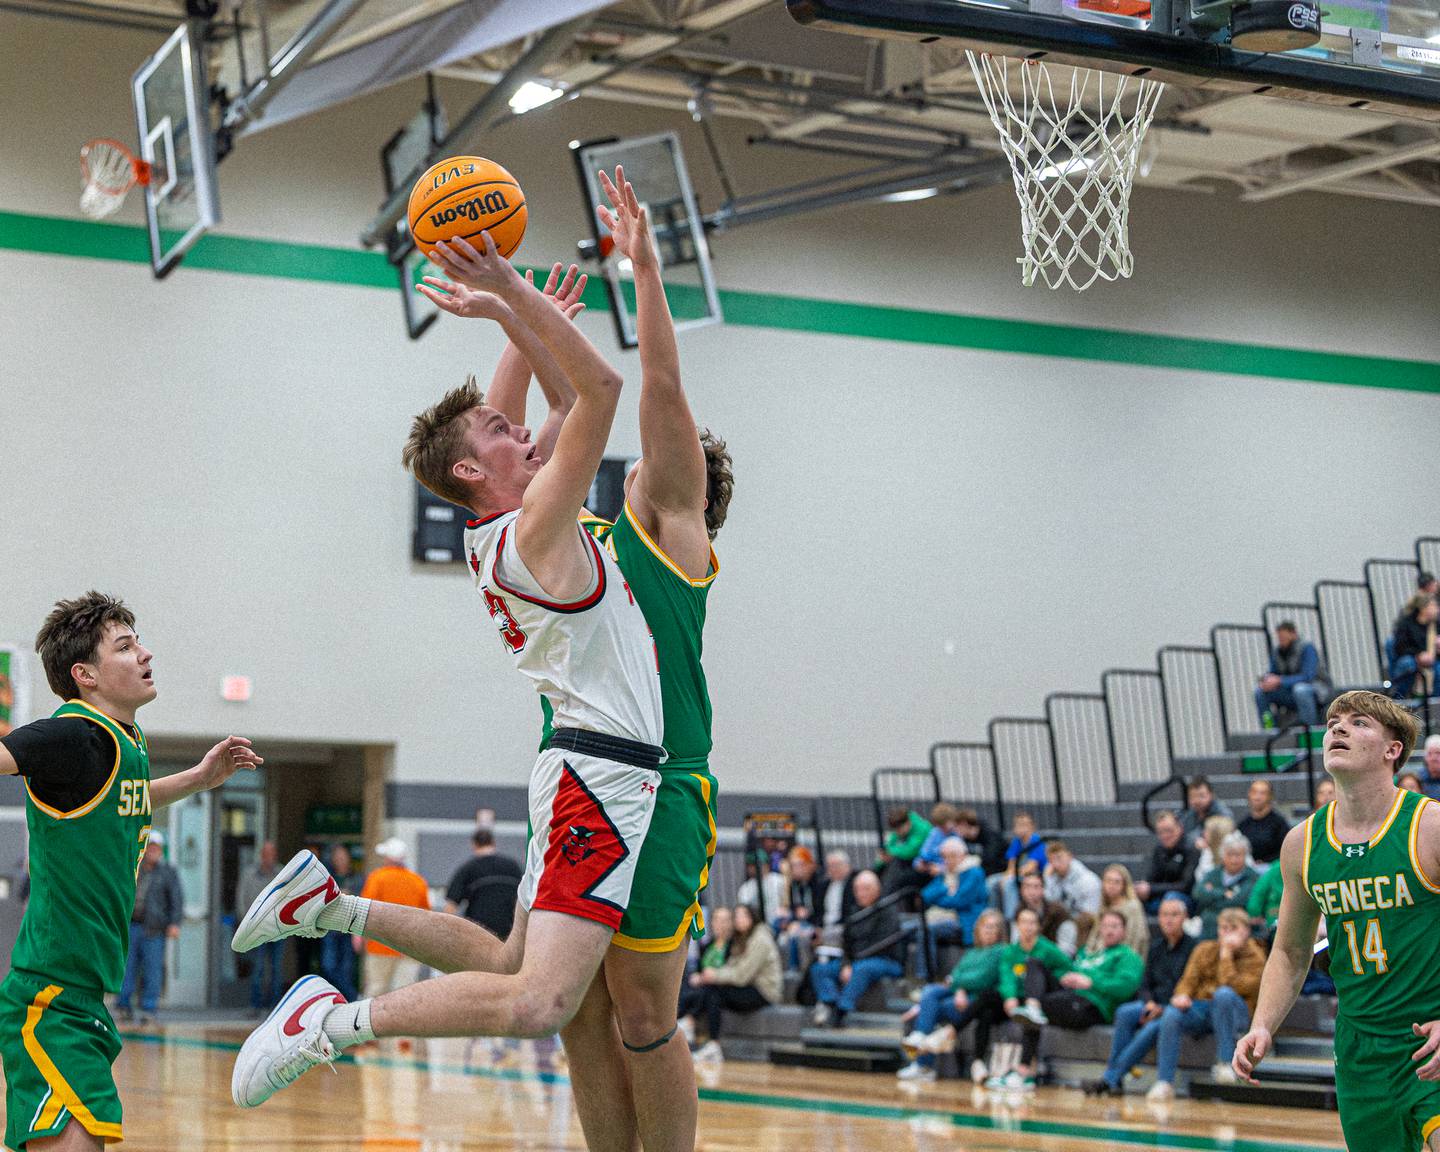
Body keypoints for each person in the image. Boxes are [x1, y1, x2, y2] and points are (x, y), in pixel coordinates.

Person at [233, 182, 730, 1152]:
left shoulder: (508, 518)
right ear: (477, 473)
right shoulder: (539, 525)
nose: (524, 435)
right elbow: (599, 393)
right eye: (507, 441)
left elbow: (517, 410)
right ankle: (330, 1023)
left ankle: (330, 917)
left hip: (590, 766)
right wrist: (510, 294)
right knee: (544, 999)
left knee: (532, 977)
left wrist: (510, 317)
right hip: (608, 773)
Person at [0, 592, 261, 1150]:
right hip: (51, 998)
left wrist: (197, 779)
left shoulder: (124, 744)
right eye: (126, 646)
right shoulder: (73, 736)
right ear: (85, 675)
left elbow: (128, 797)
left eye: (138, 641)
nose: (145, 654)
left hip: (85, 996)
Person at [1234, 691, 1440, 1152]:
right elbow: (1290, 951)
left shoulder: (1430, 826)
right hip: (1360, 1048)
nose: (1338, 729)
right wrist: (1263, 1023)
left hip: (1431, 1033)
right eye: (1333, 722)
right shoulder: (1301, 843)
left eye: (1359, 722)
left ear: (1393, 750)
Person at [999, 909, 1142, 1093]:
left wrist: (1091, 982)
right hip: (1070, 996)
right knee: (1033, 964)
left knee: (1035, 1010)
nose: (1109, 930)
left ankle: (1024, 1070)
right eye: (1105, 926)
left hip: (1092, 1006)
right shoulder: (1089, 954)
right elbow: (1068, 968)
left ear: (1124, 931)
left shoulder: (1128, 956)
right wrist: (1067, 977)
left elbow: (1125, 987)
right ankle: (1032, 1013)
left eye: (1114, 926)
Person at [1135, 906, 1267, 1100]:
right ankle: (1165, 1082)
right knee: (1172, 1013)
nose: (1227, 934)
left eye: (1234, 928)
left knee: (1223, 995)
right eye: (1223, 928)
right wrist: (1181, 996)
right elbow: (1187, 982)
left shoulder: (1256, 957)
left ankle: (1225, 1063)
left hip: (1237, 1012)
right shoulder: (1204, 949)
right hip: (1204, 1009)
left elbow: (1234, 986)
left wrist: (1226, 955)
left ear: (1246, 931)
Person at [1085, 895, 1197, 1097]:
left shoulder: (1194, 948)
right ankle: (1114, 1079)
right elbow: (1144, 983)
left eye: (1174, 915)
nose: (1168, 920)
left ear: (1185, 917)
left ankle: (1111, 1077)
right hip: (1154, 1004)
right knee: (1125, 1011)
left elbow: (1190, 986)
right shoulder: (1155, 947)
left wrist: (1161, 1007)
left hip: (1177, 1008)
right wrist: (1149, 1003)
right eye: (1164, 915)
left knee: (1153, 1028)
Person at [898, 909, 1008, 1084]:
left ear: (1000, 931)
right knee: (930, 992)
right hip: (962, 993)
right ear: (978, 929)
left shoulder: (1001, 951)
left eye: (993, 927)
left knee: (931, 1009)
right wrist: (959, 988)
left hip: (976, 1001)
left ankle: (922, 1065)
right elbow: (955, 975)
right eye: (985, 926)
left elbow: (983, 979)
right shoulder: (972, 952)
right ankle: (919, 1042)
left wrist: (959, 985)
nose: (989, 931)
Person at [677, 904, 780, 1063]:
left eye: (740, 916)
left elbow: (742, 975)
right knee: (708, 990)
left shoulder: (760, 939)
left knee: (714, 991)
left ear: (751, 917)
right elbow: (732, 967)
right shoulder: (744, 938)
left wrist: (714, 976)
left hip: (763, 991)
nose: (736, 920)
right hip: (750, 986)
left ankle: (706, 1038)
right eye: (736, 916)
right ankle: (699, 1033)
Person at [809, 871, 906, 1028]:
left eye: (866, 888)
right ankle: (830, 1001)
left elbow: (883, 945)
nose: (861, 893)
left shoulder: (888, 910)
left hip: (886, 961)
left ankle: (842, 1010)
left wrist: (853, 964)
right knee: (820, 969)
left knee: (863, 968)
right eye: (858, 889)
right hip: (856, 961)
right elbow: (846, 944)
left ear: (877, 889)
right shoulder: (854, 912)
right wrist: (846, 965)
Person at [116, 830, 183, 1026]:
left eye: (155, 847)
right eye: (149, 846)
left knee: (152, 970)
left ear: (161, 850)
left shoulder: (168, 872)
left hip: (154, 929)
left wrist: (174, 923)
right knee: (127, 969)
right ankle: (124, 1005)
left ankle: (149, 1008)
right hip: (131, 926)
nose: (152, 850)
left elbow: (177, 900)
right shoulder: (133, 869)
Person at [357, 838, 432, 1000]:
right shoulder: (418, 882)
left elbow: (365, 909)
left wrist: (357, 935)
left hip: (380, 944)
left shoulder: (377, 878)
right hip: (410, 947)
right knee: (405, 992)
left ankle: (370, 1024)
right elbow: (426, 916)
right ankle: (401, 1025)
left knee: (376, 989)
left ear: (388, 858)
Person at [443, 827, 523, 939]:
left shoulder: (468, 869)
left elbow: (451, 906)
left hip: (478, 934)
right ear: (493, 842)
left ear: (474, 845)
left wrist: (447, 935)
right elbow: (525, 900)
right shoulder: (513, 867)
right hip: (508, 933)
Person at [236, 841, 284, 1014]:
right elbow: (242, 899)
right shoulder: (249, 874)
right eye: (266, 854)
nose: (268, 858)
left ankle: (275, 1007)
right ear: (261, 855)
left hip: (279, 929)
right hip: (256, 929)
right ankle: (255, 1005)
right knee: (258, 968)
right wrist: (246, 924)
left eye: (272, 854)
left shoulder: (283, 874)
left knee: (276, 969)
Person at [1255, 620, 1331, 729]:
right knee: (1260, 692)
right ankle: (1269, 729)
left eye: (1284, 637)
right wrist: (1267, 681)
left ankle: (1309, 731)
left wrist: (1280, 681)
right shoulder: (1278, 652)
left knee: (1300, 690)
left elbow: (1308, 676)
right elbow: (1274, 672)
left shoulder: (1307, 648)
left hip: (1316, 689)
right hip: (1289, 690)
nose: (1281, 641)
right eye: (1279, 638)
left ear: (1293, 634)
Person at [921, 837, 988, 953]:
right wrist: (945, 889)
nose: (947, 860)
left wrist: (938, 899)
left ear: (962, 855)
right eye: (944, 857)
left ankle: (924, 971)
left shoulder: (974, 873)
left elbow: (959, 901)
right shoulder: (945, 873)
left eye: (951, 856)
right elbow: (925, 895)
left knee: (927, 929)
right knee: (906, 927)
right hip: (940, 916)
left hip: (964, 919)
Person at [1194, 832, 1260, 938]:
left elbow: (1238, 901)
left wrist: (1211, 895)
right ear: (1222, 855)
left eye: (1238, 855)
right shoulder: (1213, 873)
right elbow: (1198, 893)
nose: (1233, 860)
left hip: (1239, 930)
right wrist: (1223, 893)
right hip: (1210, 928)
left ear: (1245, 855)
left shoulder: (1253, 877)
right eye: (1229, 854)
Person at [1135, 810, 1200, 913]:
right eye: (1161, 832)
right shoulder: (1159, 850)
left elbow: (1185, 885)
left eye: (1169, 830)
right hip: (1162, 896)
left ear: (1180, 828)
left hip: (1187, 898)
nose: (1165, 835)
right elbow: (1151, 878)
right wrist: (1144, 888)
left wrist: (1152, 888)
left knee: (1171, 900)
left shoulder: (1191, 848)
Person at [321, 845, 361, 1002]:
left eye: (343, 857)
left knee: (346, 970)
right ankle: (354, 998)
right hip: (330, 929)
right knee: (328, 967)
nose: (340, 860)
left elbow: (363, 902)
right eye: (337, 857)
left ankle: (347, 1002)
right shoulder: (328, 878)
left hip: (348, 930)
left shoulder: (356, 878)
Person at [1085, 864, 1148, 959]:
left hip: (1122, 959)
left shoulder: (1133, 906)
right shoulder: (1104, 906)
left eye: (1117, 882)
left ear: (1124, 885)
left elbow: (1136, 939)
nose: (1112, 885)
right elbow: (1095, 936)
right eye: (1108, 881)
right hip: (1100, 956)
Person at [1043, 842, 1102, 939]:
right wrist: (1047, 879)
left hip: (1084, 923)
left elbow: (1091, 914)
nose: (1056, 863)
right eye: (1051, 860)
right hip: (1060, 922)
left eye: (1059, 858)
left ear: (1070, 856)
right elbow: (1047, 904)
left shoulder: (1088, 880)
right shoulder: (1051, 877)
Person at [1015, 867, 1078, 956]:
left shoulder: (1058, 912)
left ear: (1043, 889)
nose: (1031, 892)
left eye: (1036, 887)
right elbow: (1016, 940)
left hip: (1056, 957)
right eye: (1027, 887)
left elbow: (1067, 947)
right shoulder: (1019, 910)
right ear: (1021, 890)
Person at [1389, 594, 1437, 700]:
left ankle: (1434, 702)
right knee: (1407, 664)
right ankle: (1398, 699)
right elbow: (1400, 647)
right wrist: (1418, 655)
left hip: (1432, 659)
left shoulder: (1435, 625)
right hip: (1412, 658)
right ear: (1423, 609)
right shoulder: (1407, 624)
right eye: (1433, 606)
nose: (1436, 609)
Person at [1236, 779, 1290, 866]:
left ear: (1270, 796)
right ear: (1249, 795)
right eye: (1254, 792)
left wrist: (1265, 862)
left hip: (1272, 869)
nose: (1257, 797)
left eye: (1262, 793)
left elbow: (1286, 851)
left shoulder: (1279, 824)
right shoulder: (1243, 824)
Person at [878, 807, 932, 894]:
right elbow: (890, 844)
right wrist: (881, 860)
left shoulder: (922, 829)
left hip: (925, 867)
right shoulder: (902, 826)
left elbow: (909, 852)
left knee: (898, 877)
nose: (897, 833)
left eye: (899, 830)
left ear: (907, 823)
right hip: (913, 863)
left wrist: (891, 852)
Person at [1180, 777, 1233, 850]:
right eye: (1193, 796)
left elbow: (1226, 836)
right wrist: (1195, 841)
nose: (1197, 800)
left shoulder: (1222, 813)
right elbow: (1183, 837)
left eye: (1201, 796)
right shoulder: (1189, 814)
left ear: (1211, 795)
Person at [955, 807, 1007, 875]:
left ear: (965, 824)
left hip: (997, 870)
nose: (956, 830)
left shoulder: (990, 835)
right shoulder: (964, 838)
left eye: (958, 826)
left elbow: (990, 857)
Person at [915, 803, 962, 876]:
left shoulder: (957, 835)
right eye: (940, 826)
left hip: (949, 873)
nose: (942, 829)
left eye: (944, 826)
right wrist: (919, 864)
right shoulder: (935, 832)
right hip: (931, 869)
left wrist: (941, 869)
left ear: (952, 821)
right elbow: (924, 853)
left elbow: (960, 862)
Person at [1417, 735, 1440, 800]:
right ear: (1425, 757)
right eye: (1430, 753)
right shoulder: (1417, 779)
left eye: (1438, 753)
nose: (1434, 758)